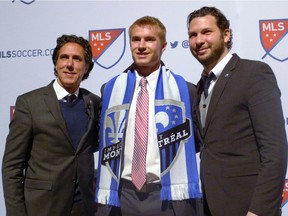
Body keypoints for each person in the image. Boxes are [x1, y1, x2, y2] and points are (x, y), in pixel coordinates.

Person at [95, 16, 202, 216]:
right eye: (136, 39)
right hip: (122, 195)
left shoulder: (186, 90)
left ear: (163, 46)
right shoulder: (110, 90)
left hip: (169, 196)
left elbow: (197, 142)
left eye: (149, 39)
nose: (141, 46)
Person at [187, 6, 287, 216]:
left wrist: (259, 211)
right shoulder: (200, 87)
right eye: (193, 35)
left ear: (226, 35)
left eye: (206, 32)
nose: (199, 40)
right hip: (211, 206)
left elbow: (275, 149)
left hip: (248, 207)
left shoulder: (253, 74)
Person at [2, 34, 101, 216]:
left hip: (83, 209)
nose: (69, 64)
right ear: (56, 63)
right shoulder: (29, 103)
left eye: (77, 59)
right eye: (64, 57)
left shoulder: (95, 103)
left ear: (86, 67)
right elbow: (12, 166)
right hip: (42, 208)